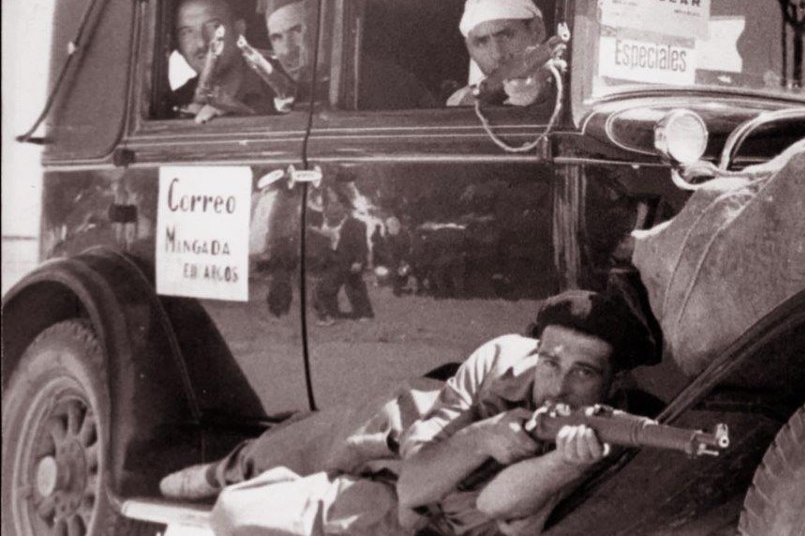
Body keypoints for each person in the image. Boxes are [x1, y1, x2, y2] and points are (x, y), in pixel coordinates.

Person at [159, 289, 660, 536]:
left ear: (612, 382)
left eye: (583, 372)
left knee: (242, 515)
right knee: (275, 467)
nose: (560, 384)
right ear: (535, 352)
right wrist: (484, 437)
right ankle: (223, 468)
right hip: (399, 456)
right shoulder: (501, 357)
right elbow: (415, 482)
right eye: (551, 363)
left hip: (426, 522)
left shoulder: (604, 432)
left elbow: (496, 508)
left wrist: (562, 461)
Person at [170, 0, 282, 122]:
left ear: (239, 29)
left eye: (213, 27)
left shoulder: (278, 86)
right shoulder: (173, 103)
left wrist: (244, 114)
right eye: (187, 32)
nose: (201, 43)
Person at [446, 0, 555, 108]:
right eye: (482, 42)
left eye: (506, 36)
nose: (497, 54)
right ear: (470, 49)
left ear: (537, 31)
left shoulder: (575, 92)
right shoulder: (460, 103)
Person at [311, 185, 374, 324]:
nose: (332, 208)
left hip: (349, 260)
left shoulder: (356, 224)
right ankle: (330, 314)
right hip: (335, 259)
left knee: (354, 286)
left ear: (344, 207)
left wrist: (359, 261)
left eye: (336, 203)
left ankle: (363, 313)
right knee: (325, 287)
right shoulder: (329, 222)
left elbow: (362, 245)